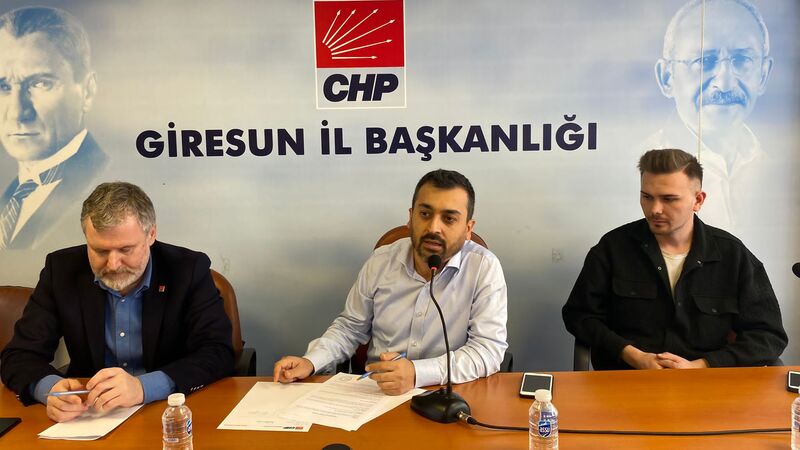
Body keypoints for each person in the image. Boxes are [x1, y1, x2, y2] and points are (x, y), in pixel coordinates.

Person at [0, 182, 234, 422]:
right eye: (100, 251)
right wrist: (49, 390)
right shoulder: (61, 270)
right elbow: (18, 355)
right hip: (90, 414)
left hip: (169, 411)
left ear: (151, 234)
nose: (113, 264)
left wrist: (143, 387)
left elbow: (218, 351)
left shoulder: (187, 269)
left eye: (125, 249)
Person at [273, 169, 508, 395]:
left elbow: (488, 350)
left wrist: (417, 373)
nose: (433, 228)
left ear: (468, 229)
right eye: (425, 214)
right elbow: (349, 328)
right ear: (411, 217)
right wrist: (311, 361)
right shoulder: (382, 261)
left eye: (449, 219)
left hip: (448, 393)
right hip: (378, 393)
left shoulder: (483, 268)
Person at [562, 149, 786, 370]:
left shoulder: (733, 255)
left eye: (669, 199)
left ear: (698, 200)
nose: (655, 209)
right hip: (627, 378)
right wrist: (633, 356)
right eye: (647, 197)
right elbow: (580, 315)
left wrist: (703, 365)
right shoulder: (612, 248)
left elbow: (768, 336)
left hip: (707, 383)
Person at [646, 0, 773, 232]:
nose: (725, 84)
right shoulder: (631, 170)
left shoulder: (779, 170)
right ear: (666, 77)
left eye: (742, 60)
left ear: (763, 75)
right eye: (704, 61)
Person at [0, 6, 107, 250]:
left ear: (87, 91)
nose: (17, 112)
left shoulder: (101, 181)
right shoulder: (11, 196)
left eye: (40, 83)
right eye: (3, 87)